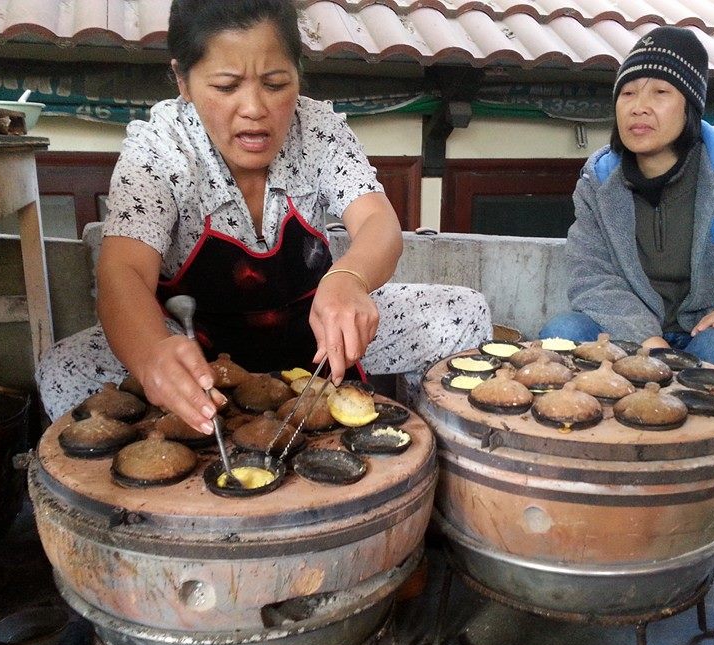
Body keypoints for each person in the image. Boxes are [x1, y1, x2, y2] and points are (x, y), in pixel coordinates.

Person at [36, 0, 491, 431]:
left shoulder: (318, 129)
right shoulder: (160, 148)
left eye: (275, 84)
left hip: (316, 328)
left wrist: (349, 278)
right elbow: (123, 271)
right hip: (199, 347)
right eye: (226, 86)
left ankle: (427, 463)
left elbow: (378, 222)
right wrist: (152, 353)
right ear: (182, 80)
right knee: (64, 370)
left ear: (298, 74)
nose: (254, 109)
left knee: (463, 314)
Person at [539, 26, 714, 388]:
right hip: (634, 334)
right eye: (627, 93)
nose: (638, 106)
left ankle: (713, 444)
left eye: (660, 92)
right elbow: (591, 277)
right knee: (562, 333)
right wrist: (647, 340)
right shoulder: (598, 184)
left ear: (690, 106)